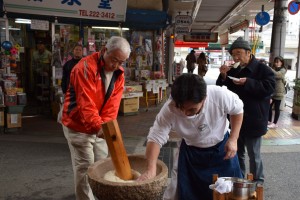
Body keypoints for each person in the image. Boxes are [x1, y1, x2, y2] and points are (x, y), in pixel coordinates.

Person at [138, 73, 244, 200]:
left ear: (204, 98)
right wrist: (151, 169)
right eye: (181, 108)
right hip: (191, 152)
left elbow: (237, 109)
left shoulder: (218, 95)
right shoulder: (169, 108)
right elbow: (155, 137)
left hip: (222, 149)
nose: (185, 113)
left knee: (230, 194)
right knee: (187, 193)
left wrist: (233, 139)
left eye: (192, 109)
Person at [61, 36, 131, 200]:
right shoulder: (84, 67)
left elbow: (112, 107)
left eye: (121, 62)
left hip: (99, 125)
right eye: (114, 60)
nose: (116, 65)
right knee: (85, 168)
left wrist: (106, 128)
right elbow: (86, 104)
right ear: (104, 50)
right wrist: (100, 128)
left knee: (102, 165)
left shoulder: (118, 74)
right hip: (77, 125)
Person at [216, 37, 275, 185]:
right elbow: (224, 89)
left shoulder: (263, 69)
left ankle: (258, 181)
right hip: (236, 119)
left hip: (254, 118)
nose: (235, 57)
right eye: (233, 54)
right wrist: (223, 76)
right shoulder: (235, 69)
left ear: (249, 53)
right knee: (238, 153)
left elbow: (269, 89)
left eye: (238, 53)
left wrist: (248, 82)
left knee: (254, 154)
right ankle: (240, 178)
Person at [268, 56, 287, 129]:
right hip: (272, 91)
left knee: (276, 108)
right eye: (275, 62)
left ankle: (275, 123)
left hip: (279, 92)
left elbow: (277, 75)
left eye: (278, 62)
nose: (276, 63)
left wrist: (270, 69)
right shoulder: (274, 69)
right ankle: (269, 121)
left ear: (282, 63)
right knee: (269, 106)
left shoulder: (283, 70)